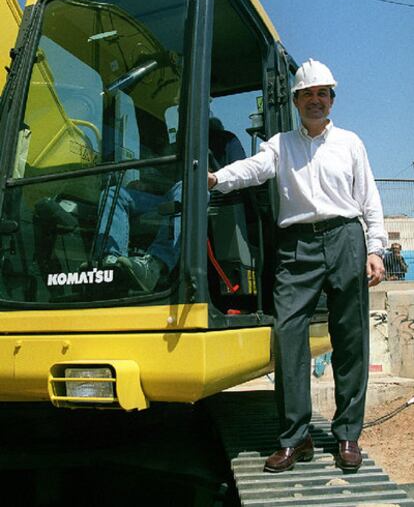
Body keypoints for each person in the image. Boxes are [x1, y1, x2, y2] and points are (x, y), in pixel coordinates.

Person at [208, 58, 386, 474]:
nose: (315, 101)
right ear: (295, 100)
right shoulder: (280, 145)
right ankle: (295, 438)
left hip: (345, 238)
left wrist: (375, 249)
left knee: (351, 338)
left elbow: (370, 199)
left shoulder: (351, 143)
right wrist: (216, 179)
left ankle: (347, 436)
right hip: (297, 246)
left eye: (322, 94)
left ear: (332, 100)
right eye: (307, 94)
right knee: (288, 336)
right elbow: (252, 169)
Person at [95, 117, 245, 292]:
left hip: (208, 197)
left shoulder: (226, 140)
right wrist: (147, 185)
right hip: (168, 197)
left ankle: (155, 265)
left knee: (187, 187)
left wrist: (215, 177)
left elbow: (239, 173)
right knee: (114, 193)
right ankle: (110, 261)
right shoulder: (178, 146)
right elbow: (165, 176)